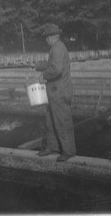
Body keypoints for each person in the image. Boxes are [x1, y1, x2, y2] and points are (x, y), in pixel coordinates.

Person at [34, 23, 76, 162]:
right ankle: (53, 147)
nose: (45, 40)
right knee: (50, 120)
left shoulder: (56, 48)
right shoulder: (57, 47)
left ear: (52, 37)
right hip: (55, 91)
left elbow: (56, 69)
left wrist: (44, 76)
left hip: (59, 91)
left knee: (62, 121)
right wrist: (38, 66)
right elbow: (53, 64)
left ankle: (68, 151)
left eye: (46, 37)